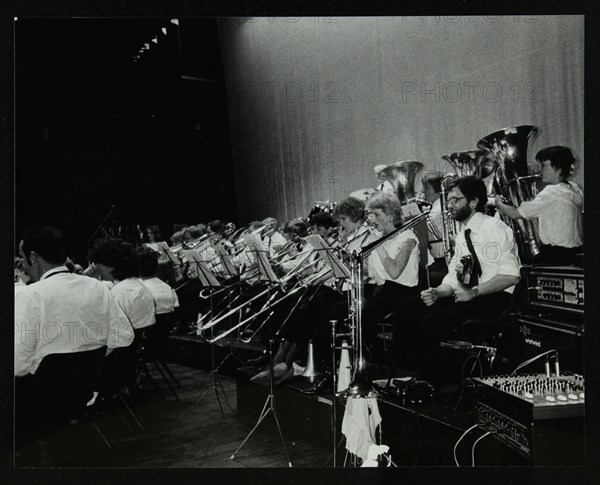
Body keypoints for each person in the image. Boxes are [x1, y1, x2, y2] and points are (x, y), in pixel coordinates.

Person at [393, 176, 521, 383]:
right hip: (473, 294)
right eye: (449, 201)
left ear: (474, 202)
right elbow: (454, 273)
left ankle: (441, 379)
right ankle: (410, 371)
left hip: (495, 297)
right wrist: (438, 292)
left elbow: (511, 275)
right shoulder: (463, 234)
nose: (449, 206)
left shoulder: (494, 228)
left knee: (432, 321)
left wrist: (474, 292)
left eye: (456, 200)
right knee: (406, 306)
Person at [15, 227, 135, 378]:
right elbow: (124, 337)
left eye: (22, 258)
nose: (23, 266)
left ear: (33, 257)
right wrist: (90, 360)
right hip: (86, 390)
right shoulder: (97, 287)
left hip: (40, 394)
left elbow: (16, 365)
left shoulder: (27, 295)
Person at [495, 146, 583, 265]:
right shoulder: (575, 189)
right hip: (574, 253)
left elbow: (515, 214)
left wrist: (499, 204)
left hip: (555, 255)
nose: (540, 170)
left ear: (557, 168)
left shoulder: (551, 192)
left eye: (543, 165)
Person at [88, 237, 156, 336]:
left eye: (98, 264)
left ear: (110, 265)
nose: (96, 267)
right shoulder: (137, 284)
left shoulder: (120, 292)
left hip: (124, 346)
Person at [422, 172, 448, 286]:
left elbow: (422, 232)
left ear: (437, 189)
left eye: (427, 188)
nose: (423, 191)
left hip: (443, 262)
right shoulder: (438, 206)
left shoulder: (438, 210)